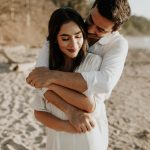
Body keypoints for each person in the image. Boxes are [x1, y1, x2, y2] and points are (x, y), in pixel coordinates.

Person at [27, 0, 131, 149]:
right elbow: (38, 79)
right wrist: (70, 112)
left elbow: (104, 83)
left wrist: (52, 77)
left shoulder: (118, 45)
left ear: (114, 29)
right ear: (92, 9)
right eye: (90, 20)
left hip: (89, 117)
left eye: (100, 30)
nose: (89, 29)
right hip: (59, 122)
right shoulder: (72, 26)